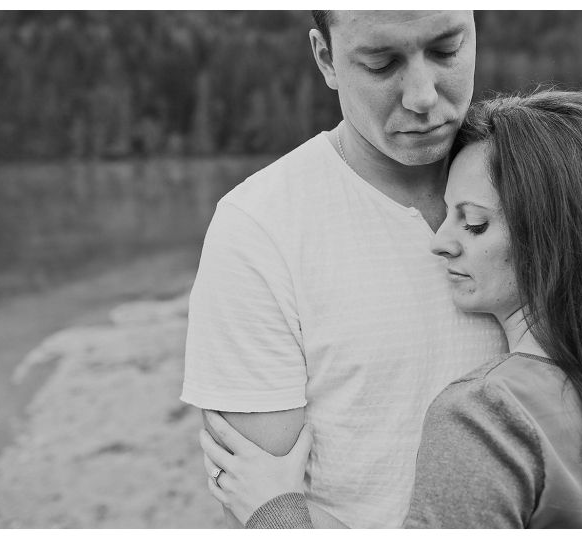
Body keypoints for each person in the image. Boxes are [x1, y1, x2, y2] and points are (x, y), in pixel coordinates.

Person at [198, 89, 582, 528]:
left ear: (554, 238)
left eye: (475, 224)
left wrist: (275, 511)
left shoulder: (484, 416)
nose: (439, 242)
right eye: (447, 214)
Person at [180, 10, 507, 528]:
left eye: (447, 50)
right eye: (382, 64)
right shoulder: (259, 228)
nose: (423, 96)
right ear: (326, 58)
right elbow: (260, 507)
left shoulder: (541, 183)